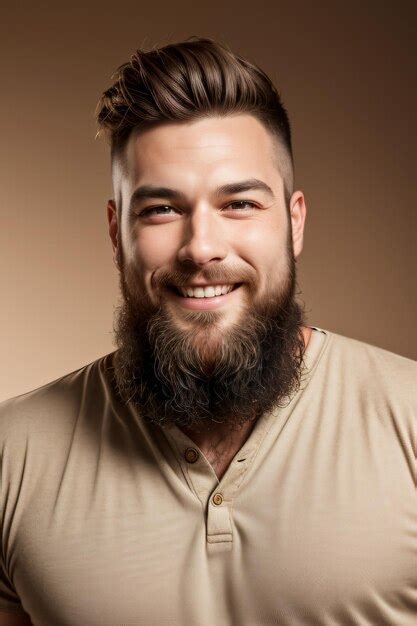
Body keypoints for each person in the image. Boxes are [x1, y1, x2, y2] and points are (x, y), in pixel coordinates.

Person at [0, 37, 415, 626]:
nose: (201, 248)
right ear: (117, 231)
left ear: (294, 222)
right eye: (161, 209)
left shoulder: (411, 422)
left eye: (240, 203)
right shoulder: (10, 457)